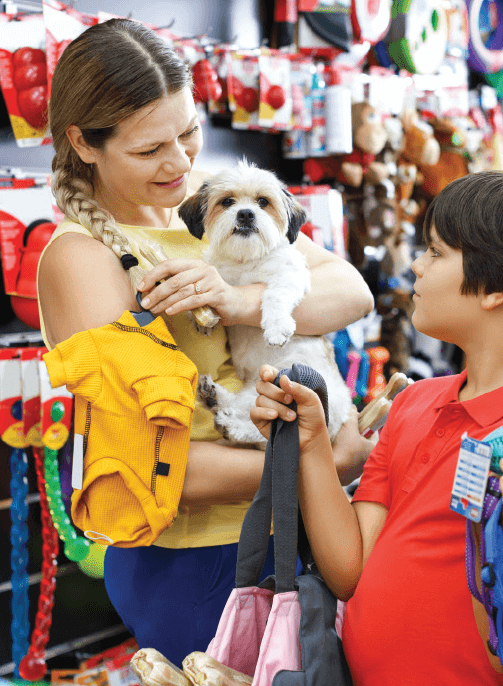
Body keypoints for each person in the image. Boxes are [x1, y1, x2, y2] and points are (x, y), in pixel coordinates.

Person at [36, 18, 374, 668]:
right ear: (82, 142)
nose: (181, 162)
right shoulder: (84, 260)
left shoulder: (207, 202)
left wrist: (240, 300)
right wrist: (322, 468)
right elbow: (168, 469)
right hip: (196, 562)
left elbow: (350, 291)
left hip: (299, 532)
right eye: (149, 150)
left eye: (189, 133)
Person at [251, 171, 503, 686]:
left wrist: (501, 528)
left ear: (497, 288)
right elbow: (350, 570)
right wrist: (311, 441)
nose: (416, 267)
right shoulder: (416, 401)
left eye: (436, 252)